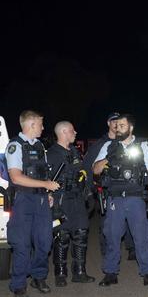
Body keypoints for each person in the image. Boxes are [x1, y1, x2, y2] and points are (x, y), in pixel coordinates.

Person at [92, 114, 148, 288]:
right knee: (112, 236)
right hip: (115, 198)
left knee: (141, 237)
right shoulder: (109, 146)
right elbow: (96, 170)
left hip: (136, 198)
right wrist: (109, 157)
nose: (117, 128)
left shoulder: (143, 145)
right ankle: (110, 273)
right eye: (116, 125)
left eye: (121, 125)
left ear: (131, 128)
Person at [5, 110, 60, 296]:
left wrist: (46, 191)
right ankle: (18, 284)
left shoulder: (39, 145)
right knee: (21, 244)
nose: (43, 128)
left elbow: (42, 173)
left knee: (44, 241)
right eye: (41, 124)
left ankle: (38, 277)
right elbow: (16, 177)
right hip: (23, 199)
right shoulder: (15, 145)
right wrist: (46, 185)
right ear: (31, 125)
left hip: (41, 200)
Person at [48, 121, 95, 286]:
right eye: (72, 130)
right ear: (63, 132)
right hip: (61, 201)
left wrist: (89, 194)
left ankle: (80, 272)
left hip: (78, 200)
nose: (75, 132)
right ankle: (60, 274)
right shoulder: (52, 154)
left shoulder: (75, 152)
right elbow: (45, 180)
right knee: (62, 237)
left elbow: (83, 174)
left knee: (81, 234)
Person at [83, 112, 136, 260]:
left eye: (119, 122)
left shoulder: (129, 142)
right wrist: (91, 187)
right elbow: (88, 167)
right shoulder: (101, 144)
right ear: (108, 123)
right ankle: (107, 252)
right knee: (107, 224)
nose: (116, 125)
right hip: (106, 189)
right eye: (113, 121)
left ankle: (131, 247)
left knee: (130, 218)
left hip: (127, 188)